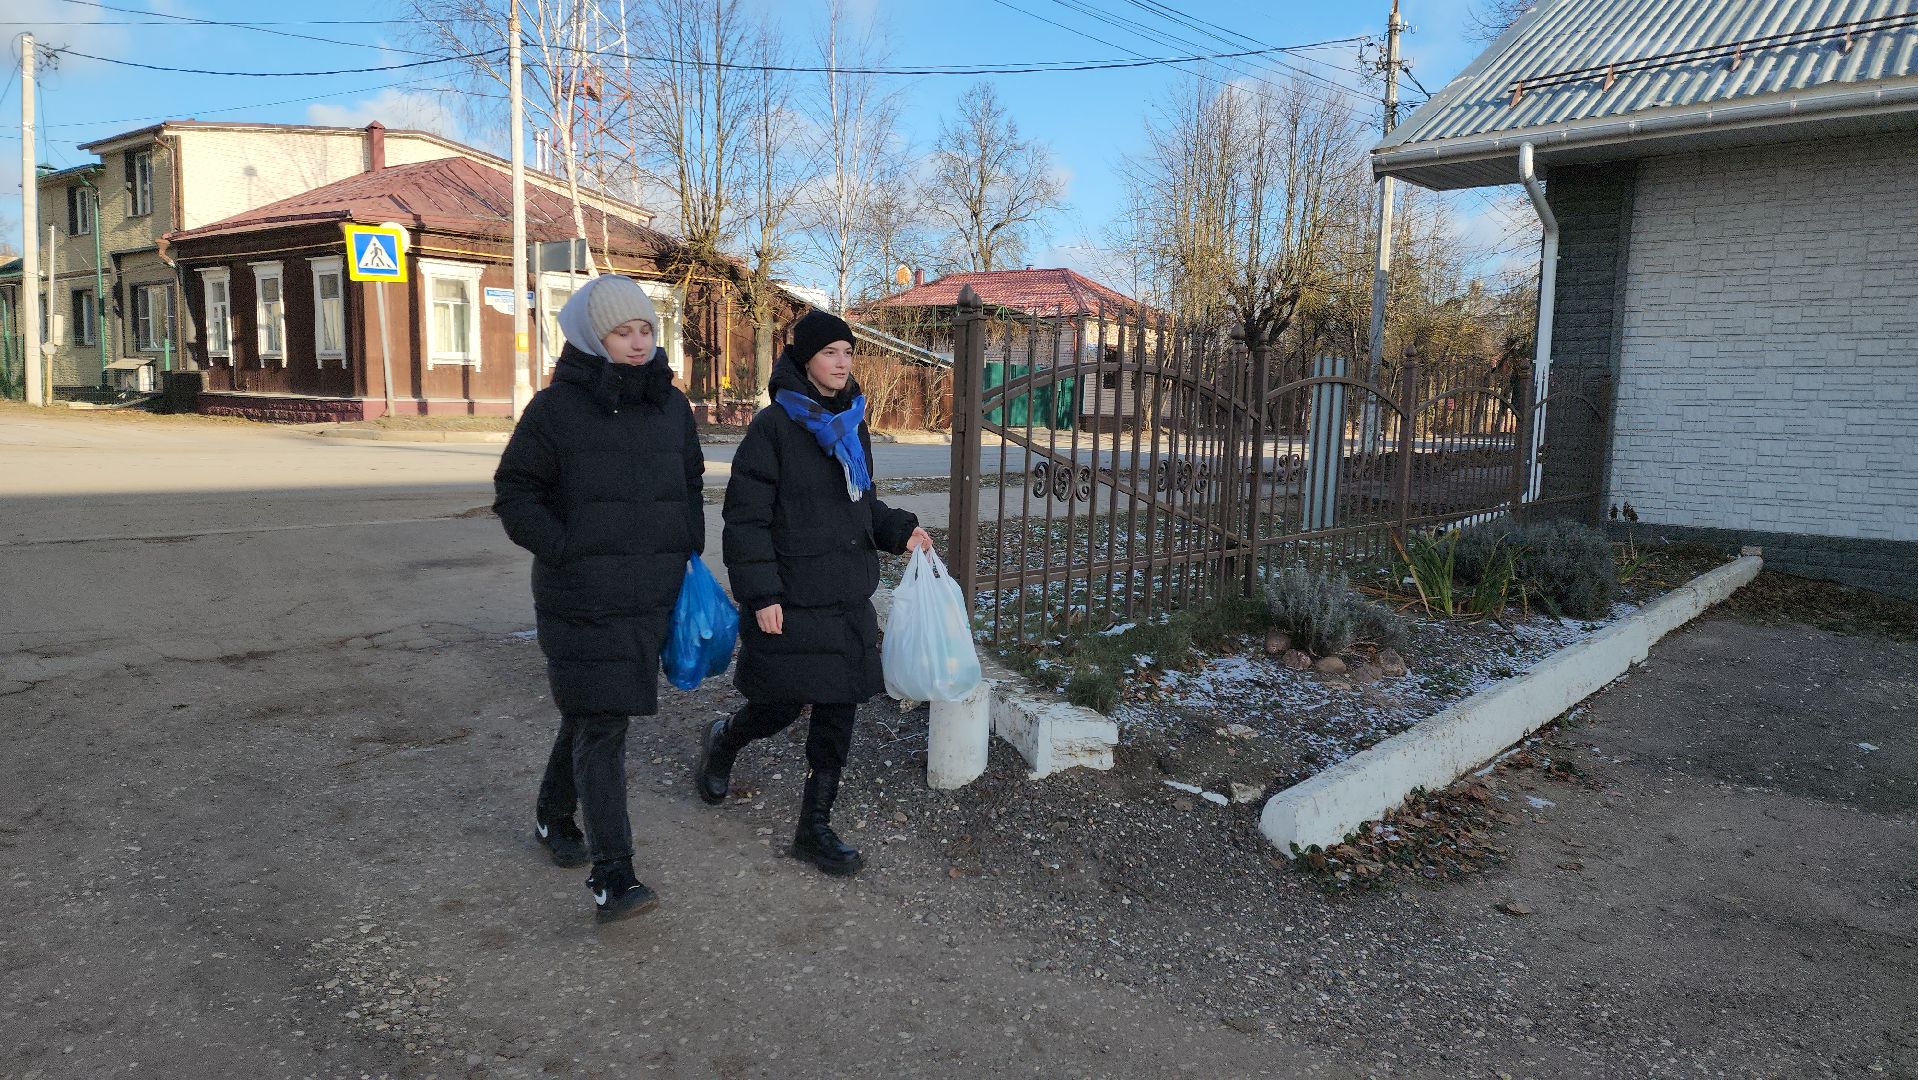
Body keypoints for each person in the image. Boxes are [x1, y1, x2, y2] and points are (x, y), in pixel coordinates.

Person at [493, 275, 704, 922]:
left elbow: (690, 486)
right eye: (623, 332)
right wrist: (567, 550)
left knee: (591, 712)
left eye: (646, 329)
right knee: (603, 722)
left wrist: (687, 556)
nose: (638, 343)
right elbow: (516, 494)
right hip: (581, 594)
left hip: (651, 594)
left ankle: (553, 815)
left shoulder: (671, 407)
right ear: (593, 336)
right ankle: (615, 876)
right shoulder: (555, 410)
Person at [699, 309, 932, 876]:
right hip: (792, 595)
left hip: (845, 596)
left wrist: (900, 530)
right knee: (778, 705)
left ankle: (814, 826)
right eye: (831, 352)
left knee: (838, 710)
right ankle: (725, 740)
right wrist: (761, 594)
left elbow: (862, 502)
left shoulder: (852, 424)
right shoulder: (773, 427)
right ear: (805, 359)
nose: (843, 362)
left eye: (849, 353)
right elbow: (746, 519)